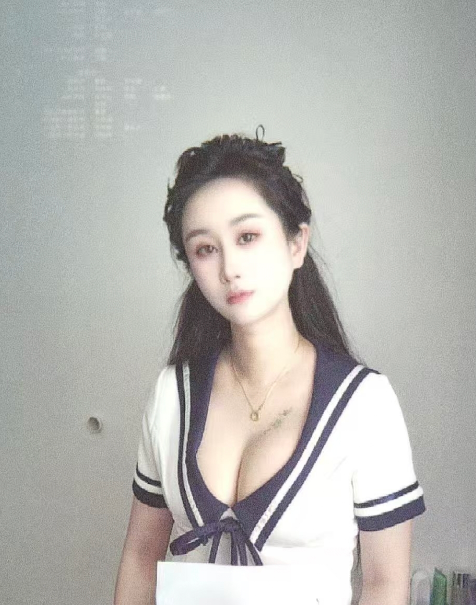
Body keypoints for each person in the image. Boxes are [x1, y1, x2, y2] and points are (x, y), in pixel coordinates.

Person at [114, 127, 426, 605]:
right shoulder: (172, 394)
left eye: (248, 237)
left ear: (296, 243)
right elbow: (140, 556)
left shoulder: (364, 405)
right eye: (205, 248)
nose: (229, 268)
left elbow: (385, 585)